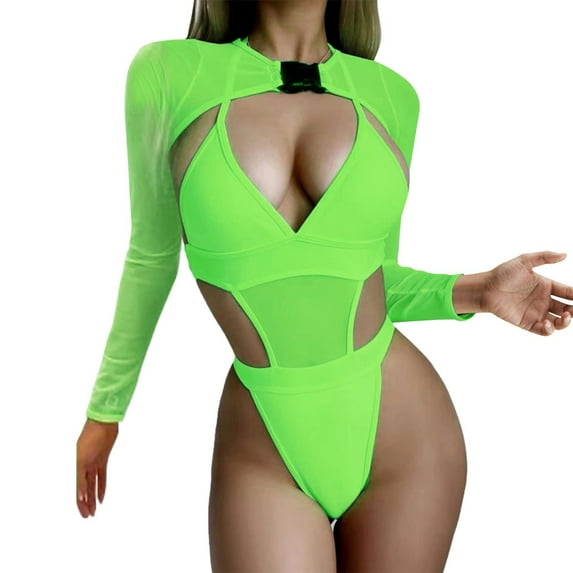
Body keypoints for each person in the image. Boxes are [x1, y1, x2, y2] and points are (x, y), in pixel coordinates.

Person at [76, 0, 573, 570]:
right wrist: (105, 411)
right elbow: (151, 256)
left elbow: (371, 282)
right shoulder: (169, 74)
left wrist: (477, 292)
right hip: (264, 437)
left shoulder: (391, 94)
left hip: (405, 429)